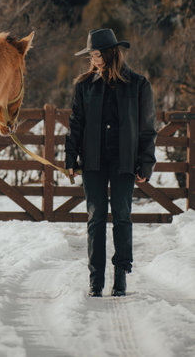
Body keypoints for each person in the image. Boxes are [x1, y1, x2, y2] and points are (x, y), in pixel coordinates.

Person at [65, 28, 157, 297]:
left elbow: (147, 128)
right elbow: (76, 124)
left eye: (97, 54)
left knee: (121, 216)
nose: (94, 59)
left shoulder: (139, 85)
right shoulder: (83, 86)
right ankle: (95, 279)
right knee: (95, 219)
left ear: (110, 53)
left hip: (124, 161)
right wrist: (71, 158)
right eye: (91, 55)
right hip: (93, 161)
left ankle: (120, 275)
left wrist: (146, 163)